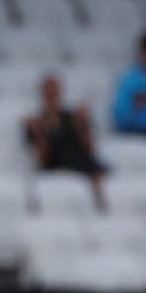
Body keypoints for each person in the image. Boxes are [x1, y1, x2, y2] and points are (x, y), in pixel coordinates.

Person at [25, 74, 107, 209]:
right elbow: (42, 158)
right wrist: (39, 134)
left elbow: (89, 147)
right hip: (54, 165)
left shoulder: (72, 117)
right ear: (42, 94)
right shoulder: (36, 122)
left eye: (54, 92)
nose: (52, 96)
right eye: (48, 93)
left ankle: (99, 207)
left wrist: (81, 124)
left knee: (96, 172)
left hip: (79, 162)